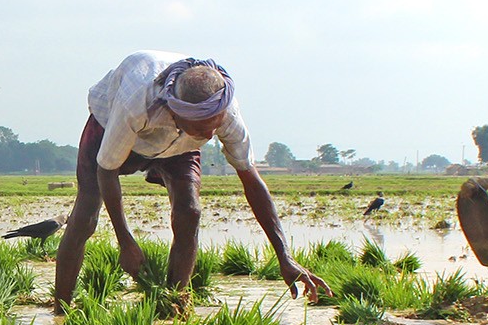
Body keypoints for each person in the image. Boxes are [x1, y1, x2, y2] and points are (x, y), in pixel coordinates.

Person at [52, 51, 327, 310]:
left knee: (190, 212)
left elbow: (250, 179)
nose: (209, 135)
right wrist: (126, 242)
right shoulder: (136, 103)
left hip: (179, 146)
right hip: (109, 126)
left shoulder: (224, 114)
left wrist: (285, 257)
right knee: (86, 216)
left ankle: (173, 305)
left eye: (213, 126)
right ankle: (61, 310)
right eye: (200, 128)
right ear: (175, 113)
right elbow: (106, 171)